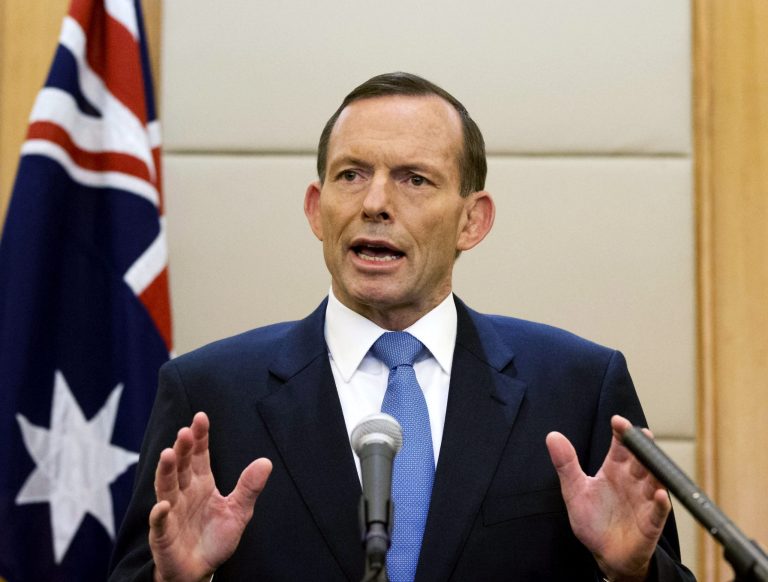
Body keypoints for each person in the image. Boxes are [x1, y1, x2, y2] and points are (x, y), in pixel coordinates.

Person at [108, 72, 695, 582]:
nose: (375, 203)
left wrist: (631, 571)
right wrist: (172, 580)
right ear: (316, 209)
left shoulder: (576, 387)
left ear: (473, 220)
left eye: (414, 179)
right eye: (351, 176)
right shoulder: (210, 394)